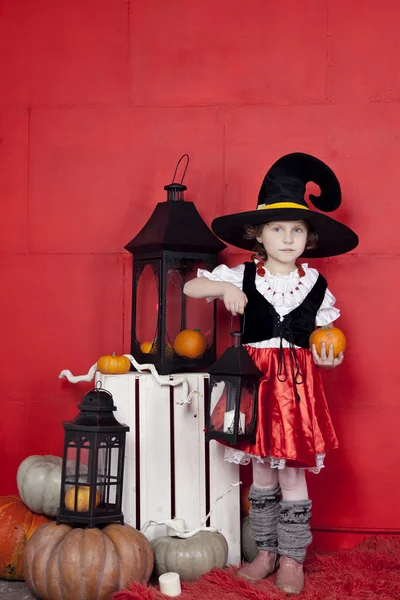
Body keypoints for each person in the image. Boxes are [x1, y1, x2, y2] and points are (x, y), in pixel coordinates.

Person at [184, 153, 358, 595]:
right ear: (257, 234)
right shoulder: (242, 275)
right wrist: (223, 288)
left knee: (291, 475)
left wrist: (327, 349)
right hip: (254, 385)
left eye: (297, 229)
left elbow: (326, 330)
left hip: (297, 389)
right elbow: (191, 286)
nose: (287, 237)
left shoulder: (314, 285)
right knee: (260, 475)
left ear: (308, 238)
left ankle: (292, 559)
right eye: (277, 228)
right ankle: (264, 552)